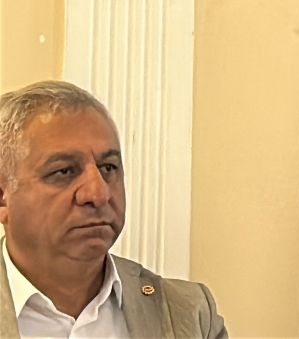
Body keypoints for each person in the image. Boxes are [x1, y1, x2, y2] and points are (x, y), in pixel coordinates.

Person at [0, 80, 227, 338]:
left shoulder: (188, 314)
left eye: (108, 167)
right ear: (3, 197)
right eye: (64, 171)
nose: (99, 194)